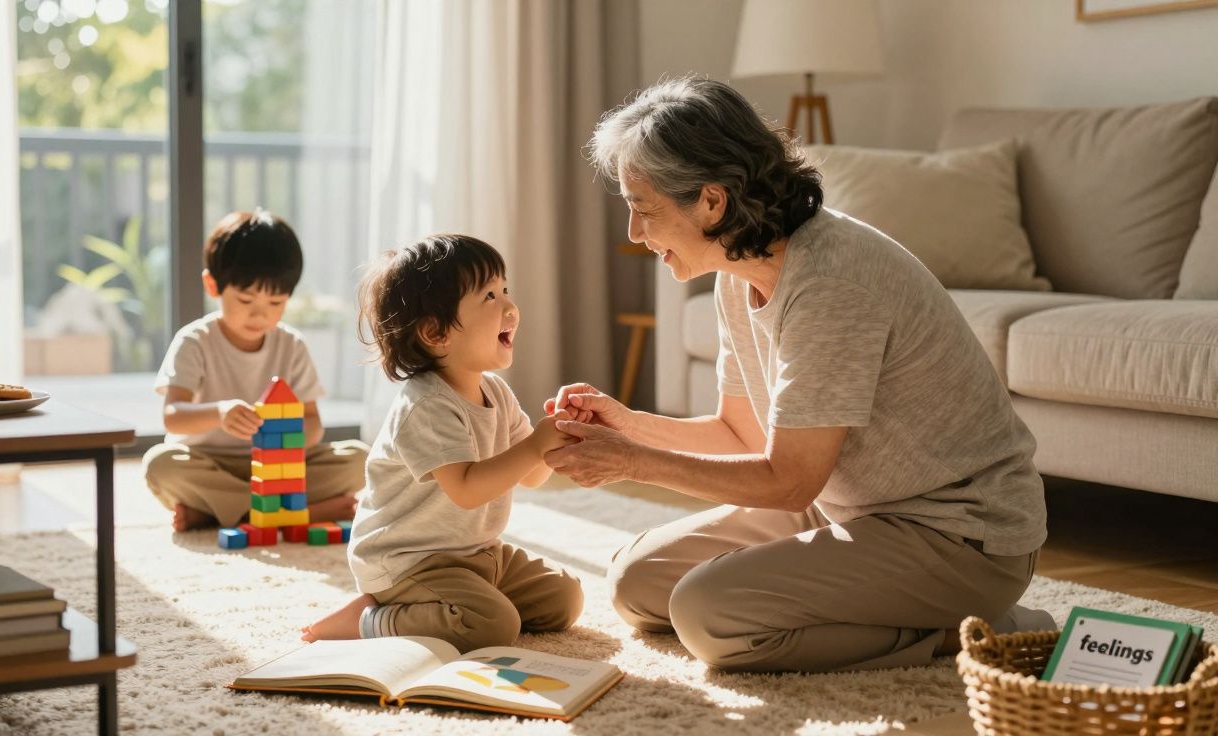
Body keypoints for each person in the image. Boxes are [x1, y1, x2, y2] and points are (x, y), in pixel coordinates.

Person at [542, 77, 1052, 673]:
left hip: (958, 537)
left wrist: (633, 463)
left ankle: (974, 632)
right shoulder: (738, 273)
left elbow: (789, 483)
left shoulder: (830, 284)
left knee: (706, 614)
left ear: (712, 202)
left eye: (644, 209)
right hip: (849, 506)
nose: (634, 232)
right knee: (637, 582)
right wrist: (627, 426)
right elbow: (742, 434)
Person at [300, 234, 584, 651]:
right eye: (490, 296)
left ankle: (452, 605)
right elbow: (466, 490)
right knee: (491, 625)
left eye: (505, 289)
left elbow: (532, 476)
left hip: (476, 553)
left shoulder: (497, 392)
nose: (510, 307)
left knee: (564, 598)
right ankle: (368, 618)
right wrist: (533, 445)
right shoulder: (426, 404)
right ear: (436, 332)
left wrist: (555, 434)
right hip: (410, 562)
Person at [142, 210, 367, 532]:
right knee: (161, 466)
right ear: (212, 285)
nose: (260, 315)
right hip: (210, 462)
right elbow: (173, 416)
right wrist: (219, 413)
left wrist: (282, 438)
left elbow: (313, 422)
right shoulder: (194, 341)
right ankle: (296, 513)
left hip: (278, 466)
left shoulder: (291, 345)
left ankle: (218, 513)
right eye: (246, 300)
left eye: (275, 303)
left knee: (358, 458)